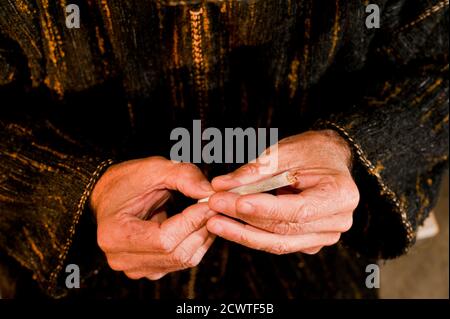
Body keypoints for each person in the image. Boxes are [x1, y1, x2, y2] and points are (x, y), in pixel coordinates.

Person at [0, 0, 448, 299]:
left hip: (321, 255)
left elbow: (438, 64)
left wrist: (352, 149)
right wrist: (78, 192)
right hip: (79, 264)